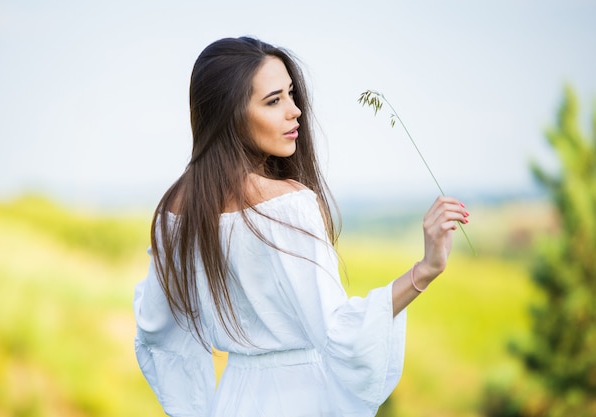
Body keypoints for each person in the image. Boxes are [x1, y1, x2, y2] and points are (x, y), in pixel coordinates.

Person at [133, 36, 470, 417]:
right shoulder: (289, 204)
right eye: (273, 101)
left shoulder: (175, 212)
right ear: (230, 114)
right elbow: (341, 334)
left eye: (291, 94)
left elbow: (157, 332)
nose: (295, 111)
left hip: (232, 400)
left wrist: (197, 404)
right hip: (301, 399)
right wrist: (426, 270)